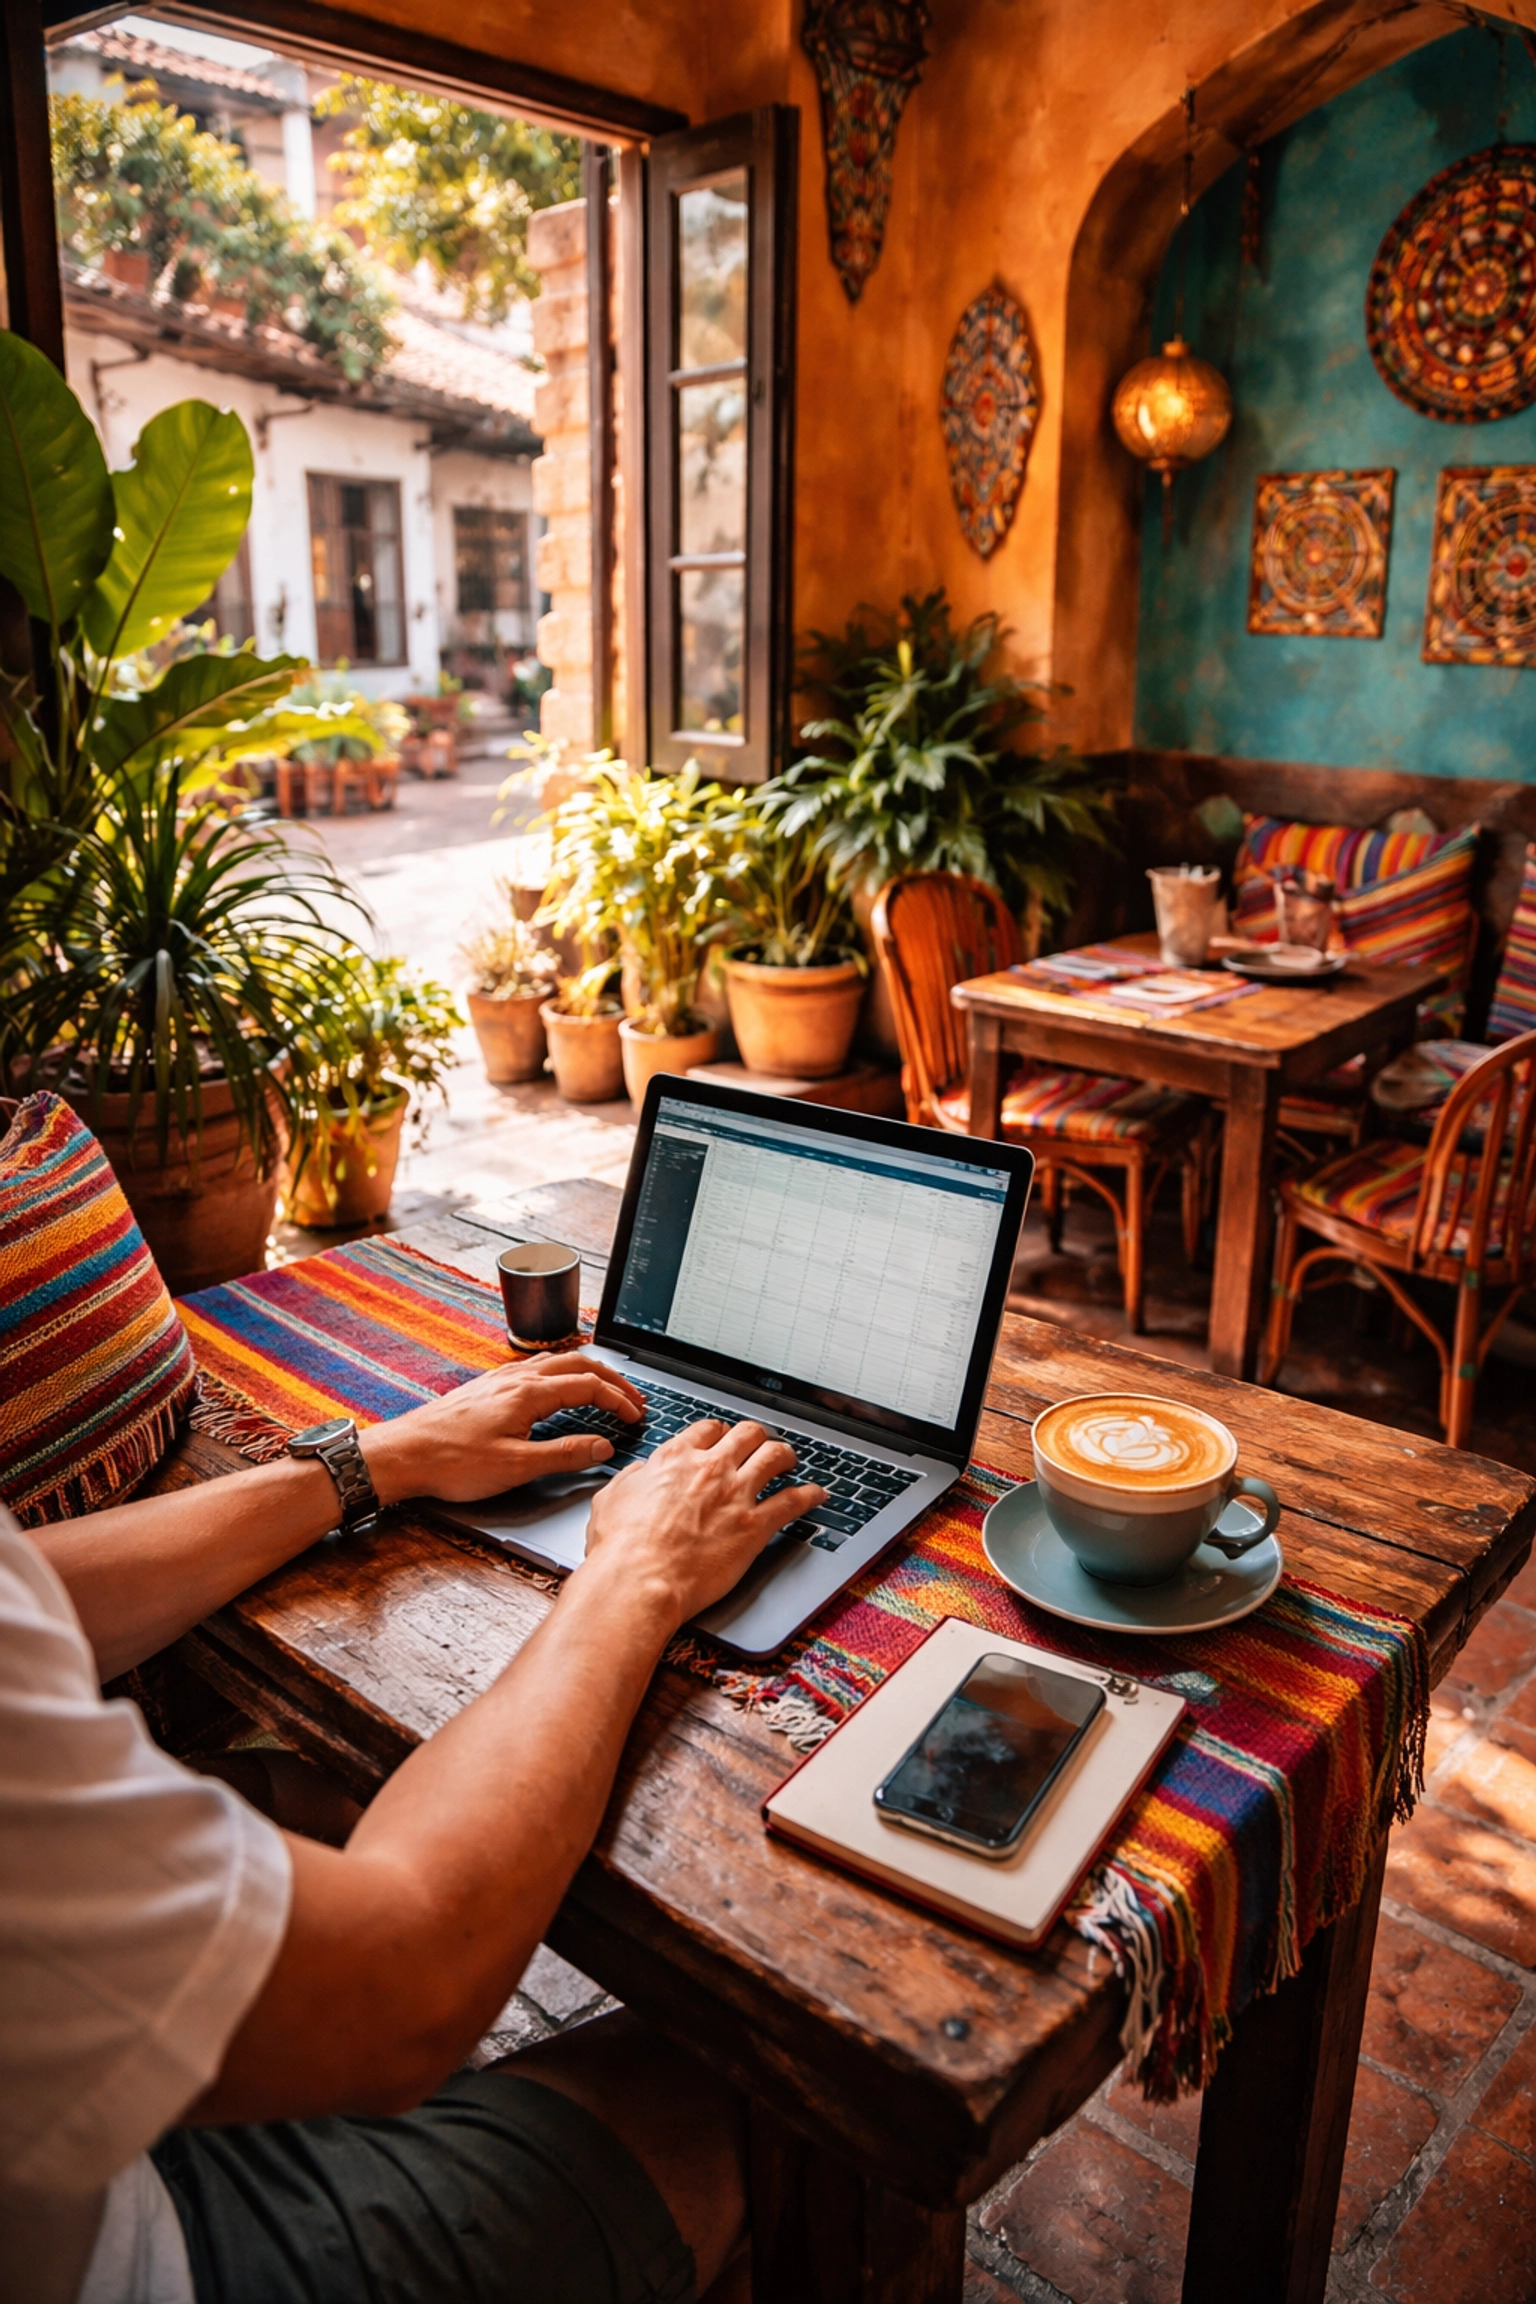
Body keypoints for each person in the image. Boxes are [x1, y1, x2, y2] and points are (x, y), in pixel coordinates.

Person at [0, 1352, 828, 2304]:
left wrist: (376, 1459)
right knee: (776, 2088)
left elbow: (27, 1595)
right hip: (154, 2253)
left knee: (333, 1795)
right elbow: (402, 1988)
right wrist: (639, 1574)